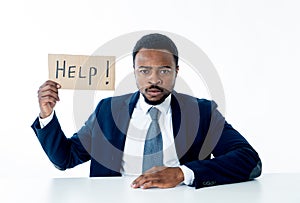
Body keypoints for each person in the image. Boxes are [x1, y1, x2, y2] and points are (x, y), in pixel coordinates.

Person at [32, 33, 262, 189]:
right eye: (144, 71)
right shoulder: (107, 111)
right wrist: (47, 115)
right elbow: (65, 158)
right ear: (134, 71)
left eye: (163, 71)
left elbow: (249, 161)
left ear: (176, 71)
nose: (154, 80)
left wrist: (182, 173)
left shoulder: (202, 112)